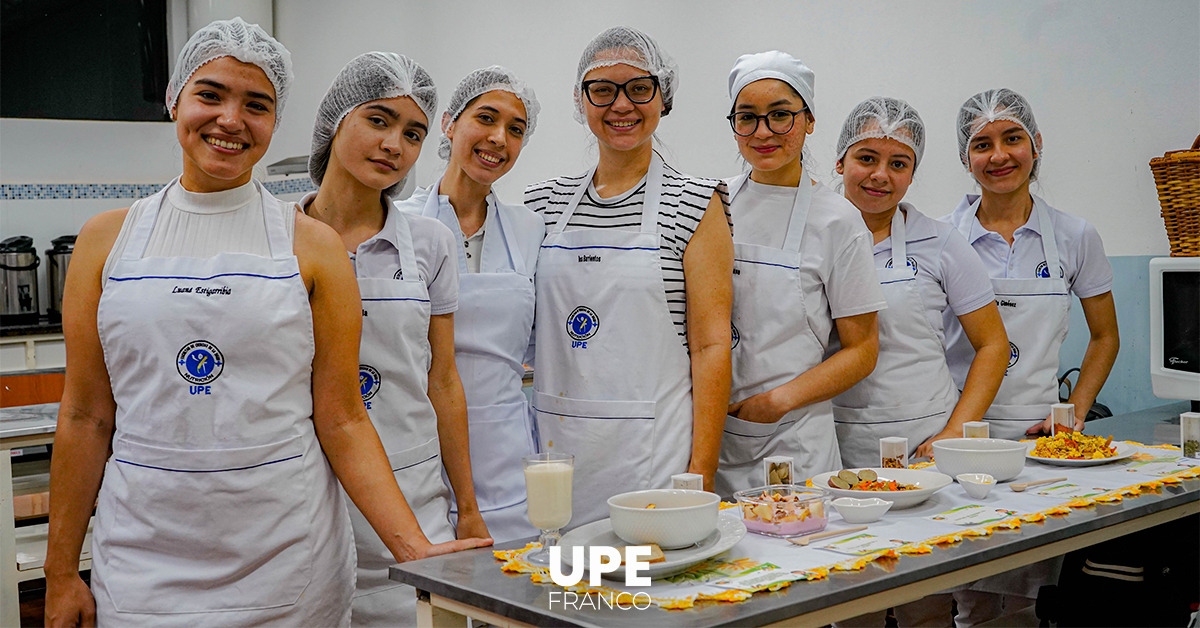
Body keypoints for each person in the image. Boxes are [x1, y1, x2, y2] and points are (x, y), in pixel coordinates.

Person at [44, 21, 485, 628]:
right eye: (210, 95)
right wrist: (60, 571)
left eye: (256, 105)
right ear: (174, 99)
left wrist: (413, 548)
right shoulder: (105, 241)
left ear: (276, 122)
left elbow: (343, 417)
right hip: (142, 553)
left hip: (285, 556)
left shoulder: (312, 246)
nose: (231, 119)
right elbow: (85, 416)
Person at [301, 52, 492, 625]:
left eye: (412, 133)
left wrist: (468, 506)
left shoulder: (430, 243)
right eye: (378, 120)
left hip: (414, 495)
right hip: (305, 498)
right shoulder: (277, 239)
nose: (394, 145)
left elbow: (442, 381)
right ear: (336, 119)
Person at [524, 26, 733, 523]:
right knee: (567, 572)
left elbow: (711, 346)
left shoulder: (696, 203)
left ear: (663, 97)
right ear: (581, 101)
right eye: (603, 90)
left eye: (640, 88)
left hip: (654, 455)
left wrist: (701, 472)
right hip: (555, 450)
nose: (622, 105)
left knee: (643, 573)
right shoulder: (541, 204)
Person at [942, 88, 1119, 625]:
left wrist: (1075, 413)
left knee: (1032, 595)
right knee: (966, 595)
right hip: (959, 436)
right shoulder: (941, 237)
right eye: (982, 144)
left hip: (1039, 445)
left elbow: (1105, 336)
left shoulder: (1075, 236)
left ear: (1036, 144)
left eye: (1012, 138)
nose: (999, 156)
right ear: (965, 158)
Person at [716, 51, 885, 496]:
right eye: (747, 117)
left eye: (780, 115)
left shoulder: (837, 220)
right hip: (715, 433)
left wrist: (778, 401)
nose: (763, 131)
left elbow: (863, 350)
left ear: (809, 120)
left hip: (796, 435)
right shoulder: (713, 204)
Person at [396, 66, 544, 543]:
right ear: (449, 123)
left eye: (516, 129)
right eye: (486, 118)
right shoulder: (398, 225)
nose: (499, 138)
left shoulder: (529, 230)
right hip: (419, 458)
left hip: (510, 458)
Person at [831, 97, 1009, 469]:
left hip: (927, 443)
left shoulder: (941, 242)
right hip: (833, 441)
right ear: (840, 162)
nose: (880, 175)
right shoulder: (813, 239)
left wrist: (955, 430)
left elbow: (993, 345)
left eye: (898, 164)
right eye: (866, 158)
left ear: (912, 175)